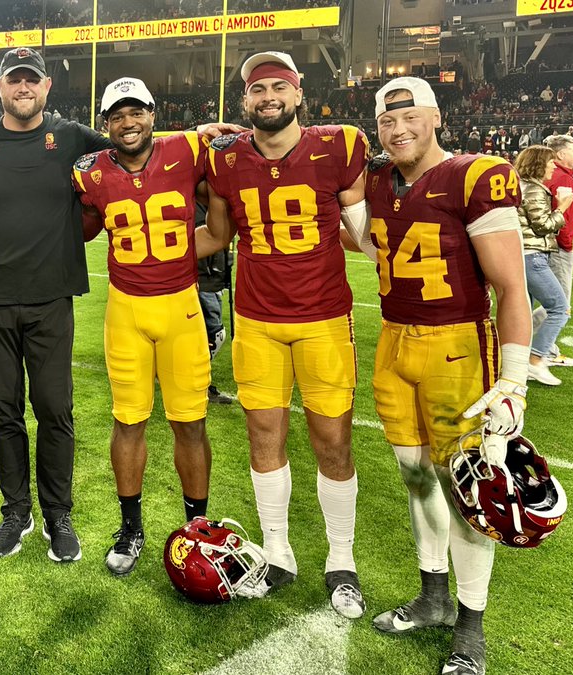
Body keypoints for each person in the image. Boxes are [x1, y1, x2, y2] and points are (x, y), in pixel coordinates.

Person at [362, 77, 531, 675]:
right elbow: (362, 237)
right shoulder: (379, 180)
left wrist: (513, 379)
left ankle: (471, 625)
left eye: (409, 117)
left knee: (464, 491)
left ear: (435, 118)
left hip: (458, 345)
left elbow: (511, 287)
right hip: (392, 342)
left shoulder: (473, 174)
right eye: (387, 120)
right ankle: (432, 598)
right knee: (416, 480)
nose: (398, 129)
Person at [203, 51, 369, 618]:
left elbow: (364, 231)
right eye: (257, 88)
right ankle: (277, 551)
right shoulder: (224, 159)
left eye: (279, 85)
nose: (267, 96)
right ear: (244, 100)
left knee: (333, 440)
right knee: (263, 434)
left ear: (299, 93)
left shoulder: (340, 145)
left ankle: (340, 557)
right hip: (256, 317)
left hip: (323, 316)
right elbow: (218, 234)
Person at [0, 47, 112, 562]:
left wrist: (204, 136)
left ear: (46, 88)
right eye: (14, 80)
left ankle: (58, 513)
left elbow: (135, 148)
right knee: (5, 413)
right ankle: (16, 511)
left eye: (32, 81)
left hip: (49, 299)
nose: (23, 88)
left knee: (55, 410)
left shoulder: (70, 138)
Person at [71, 78, 231, 576]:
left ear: (153, 114)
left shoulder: (188, 148)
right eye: (117, 115)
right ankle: (131, 526)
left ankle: (197, 527)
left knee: (190, 423)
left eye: (135, 111)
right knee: (128, 420)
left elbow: (224, 217)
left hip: (182, 305)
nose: (128, 122)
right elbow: (78, 227)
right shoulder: (90, 173)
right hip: (126, 312)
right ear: (105, 125)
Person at [514, 145, 572, 387]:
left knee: (523, 314)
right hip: (533, 257)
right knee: (560, 309)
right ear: (539, 164)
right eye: (549, 162)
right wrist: (562, 207)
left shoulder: (522, 186)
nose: (552, 167)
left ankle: (516, 364)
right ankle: (536, 359)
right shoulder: (535, 190)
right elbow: (542, 226)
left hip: (522, 256)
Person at [536, 134, 573, 368]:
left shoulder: (550, 175)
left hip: (542, 246)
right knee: (560, 306)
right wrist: (567, 244)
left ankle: (534, 345)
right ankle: (541, 351)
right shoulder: (562, 178)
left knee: (548, 302)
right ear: (561, 154)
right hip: (557, 248)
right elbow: (561, 217)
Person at [197, 231, 235, 405]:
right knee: (214, 335)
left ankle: (198, 380)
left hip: (213, 279)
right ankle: (198, 381)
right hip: (204, 280)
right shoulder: (199, 210)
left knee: (206, 335)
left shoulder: (213, 209)